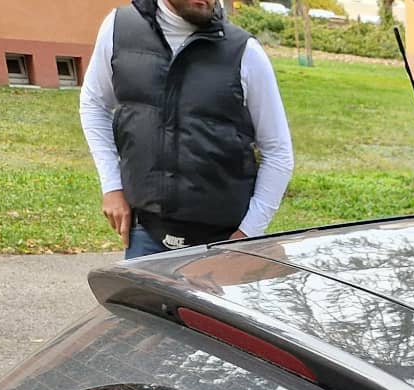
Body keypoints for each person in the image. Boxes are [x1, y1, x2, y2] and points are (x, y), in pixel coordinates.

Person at [79, 0, 294, 259]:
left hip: (222, 241)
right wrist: (112, 187)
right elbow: (94, 105)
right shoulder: (119, 29)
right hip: (145, 232)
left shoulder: (245, 52)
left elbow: (278, 151)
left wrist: (247, 234)